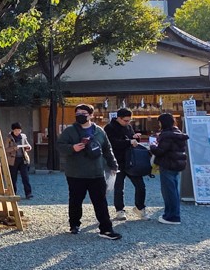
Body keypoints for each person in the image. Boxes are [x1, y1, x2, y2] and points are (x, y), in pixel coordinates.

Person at [56, 103, 121, 240]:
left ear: (91, 115)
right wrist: (72, 148)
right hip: (75, 173)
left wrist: (113, 165)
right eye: (77, 114)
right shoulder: (70, 131)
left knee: (100, 201)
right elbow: (59, 146)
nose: (80, 116)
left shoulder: (99, 131)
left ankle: (106, 229)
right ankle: (74, 224)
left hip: (96, 172)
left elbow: (107, 149)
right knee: (75, 200)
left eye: (83, 114)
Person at [104, 108, 150, 220]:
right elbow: (111, 144)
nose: (128, 122)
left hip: (132, 161)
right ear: (118, 118)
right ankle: (120, 210)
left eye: (129, 120)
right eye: (125, 120)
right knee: (119, 187)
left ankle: (140, 208)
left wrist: (135, 138)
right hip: (118, 161)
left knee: (140, 186)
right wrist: (129, 141)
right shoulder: (109, 128)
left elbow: (131, 140)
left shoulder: (128, 127)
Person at [150, 112, 189, 225]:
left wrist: (152, 146)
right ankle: (172, 214)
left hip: (168, 164)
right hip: (177, 164)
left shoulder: (166, 135)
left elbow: (160, 151)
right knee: (174, 191)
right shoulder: (177, 133)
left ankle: (172, 216)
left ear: (162, 123)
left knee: (168, 192)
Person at [4, 122, 33, 199]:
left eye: (19, 130)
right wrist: (14, 148)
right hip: (13, 160)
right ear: (13, 130)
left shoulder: (23, 136)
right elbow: (5, 149)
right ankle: (13, 193)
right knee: (13, 178)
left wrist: (28, 147)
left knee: (25, 177)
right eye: (16, 130)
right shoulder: (9, 138)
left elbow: (28, 145)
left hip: (23, 159)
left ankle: (28, 193)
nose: (17, 132)